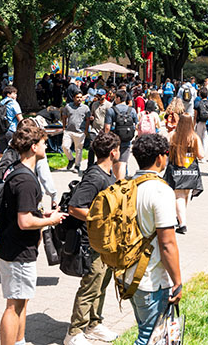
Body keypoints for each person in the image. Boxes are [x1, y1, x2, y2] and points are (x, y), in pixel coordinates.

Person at [0, 123, 68, 345]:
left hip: (16, 248)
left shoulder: (19, 171)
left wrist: (41, 213)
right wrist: (50, 220)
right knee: (14, 304)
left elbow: (24, 211)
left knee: (21, 301)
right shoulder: (26, 180)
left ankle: (19, 341)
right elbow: (25, 221)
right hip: (17, 250)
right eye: (44, 144)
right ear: (34, 146)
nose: (46, 148)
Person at [124, 134, 183, 345]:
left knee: (146, 331)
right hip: (150, 279)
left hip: (128, 274)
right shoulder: (160, 190)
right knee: (149, 338)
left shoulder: (127, 184)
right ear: (160, 158)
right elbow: (167, 243)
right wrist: (177, 282)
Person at [63, 132, 121, 345]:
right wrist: (100, 219)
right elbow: (75, 207)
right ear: (113, 152)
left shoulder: (107, 174)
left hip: (105, 241)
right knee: (91, 285)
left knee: (102, 283)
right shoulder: (95, 176)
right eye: (118, 149)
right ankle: (74, 332)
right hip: (92, 241)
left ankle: (94, 324)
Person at [165, 113, 204, 235]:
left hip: (176, 169)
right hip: (190, 170)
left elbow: (165, 150)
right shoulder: (194, 137)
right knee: (184, 195)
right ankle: (181, 218)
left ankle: (182, 223)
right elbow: (201, 155)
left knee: (179, 196)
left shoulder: (172, 135)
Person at [103, 90, 138, 180]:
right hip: (127, 139)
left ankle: (115, 179)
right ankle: (121, 181)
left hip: (115, 139)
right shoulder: (132, 110)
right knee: (123, 162)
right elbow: (136, 125)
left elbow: (107, 127)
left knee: (114, 161)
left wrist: (106, 138)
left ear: (118, 98)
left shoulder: (111, 110)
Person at [61, 92, 91, 175]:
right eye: (77, 97)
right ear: (73, 98)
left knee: (78, 150)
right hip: (69, 131)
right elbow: (64, 116)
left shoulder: (85, 108)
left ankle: (77, 166)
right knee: (65, 146)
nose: (79, 99)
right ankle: (71, 159)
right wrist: (64, 127)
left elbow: (88, 119)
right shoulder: (68, 106)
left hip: (80, 132)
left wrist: (85, 131)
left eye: (81, 97)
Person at [0, 86, 24, 159]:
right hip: (11, 130)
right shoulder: (13, 103)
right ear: (8, 94)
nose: (16, 95)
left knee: (1, 154)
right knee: (15, 153)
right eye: (14, 93)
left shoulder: (0, 103)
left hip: (0, 131)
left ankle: (0, 169)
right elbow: (20, 118)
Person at [193, 87, 208, 155]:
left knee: (199, 138)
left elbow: (195, 115)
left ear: (200, 95)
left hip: (200, 122)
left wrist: (193, 124)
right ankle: (203, 155)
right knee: (206, 138)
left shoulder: (198, 103)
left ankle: (199, 152)